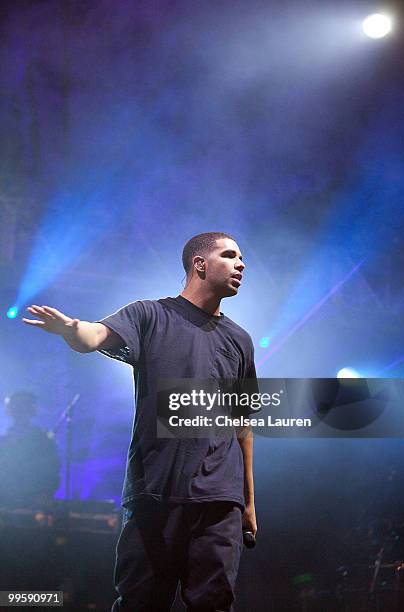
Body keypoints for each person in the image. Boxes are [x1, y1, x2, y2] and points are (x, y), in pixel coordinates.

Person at [23, 232, 258, 611]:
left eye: (242, 257)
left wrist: (248, 502)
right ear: (200, 264)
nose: (241, 264)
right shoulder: (149, 314)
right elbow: (94, 335)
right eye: (229, 255)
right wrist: (71, 330)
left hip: (219, 500)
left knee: (214, 603)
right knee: (140, 602)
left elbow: (243, 425)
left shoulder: (240, 340)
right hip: (155, 493)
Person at [0, 391, 60, 508]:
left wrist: (45, 494)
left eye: (22, 407)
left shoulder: (43, 440)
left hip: (33, 502)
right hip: (5, 501)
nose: (19, 411)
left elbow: (52, 471)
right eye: (16, 407)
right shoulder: (3, 441)